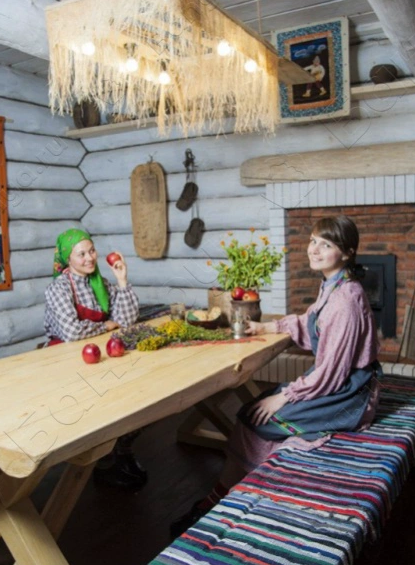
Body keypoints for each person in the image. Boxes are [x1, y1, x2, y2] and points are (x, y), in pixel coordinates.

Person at [171, 215, 382, 536]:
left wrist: (285, 396)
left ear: (347, 253)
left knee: (255, 418)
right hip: (337, 382)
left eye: (326, 245)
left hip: (350, 394)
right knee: (255, 410)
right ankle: (228, 499)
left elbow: (331, 374)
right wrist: (268, 327)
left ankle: (225, 503)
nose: (314, 249)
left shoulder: (345, 301)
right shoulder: (334, 285)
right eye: (313, 241)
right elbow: (309, 322)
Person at [43, 228, 147, 491]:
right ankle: (99, 462)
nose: (89, 258)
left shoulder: (101, 283)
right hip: (65, 360)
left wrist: (122, 280)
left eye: (91, 251)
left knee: (133, 394)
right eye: (81, 254)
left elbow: (126, 320)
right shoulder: (58, 288)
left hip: (99, 354)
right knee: (98, 408)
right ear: (67, 259)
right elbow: (71, 333)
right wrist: (106, 326)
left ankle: (119, 452)